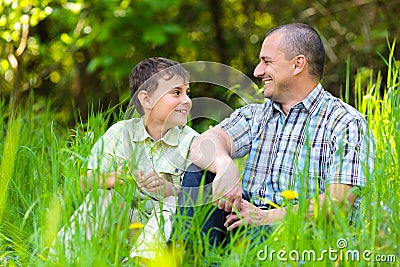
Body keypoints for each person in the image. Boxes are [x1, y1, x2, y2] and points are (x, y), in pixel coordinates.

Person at [177, 23, 374, 247]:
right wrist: (225, 167)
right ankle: (188, 258)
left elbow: (339, 202)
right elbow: (202, 144)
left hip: (299, 233)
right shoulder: (256, 114)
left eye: (267, 62)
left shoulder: (345, 122)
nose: (257, 72)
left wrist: (265, 218)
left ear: (298, 64)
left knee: (260, 237)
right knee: (201, 170)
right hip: (243, 222)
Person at [51, 57, 198, 262]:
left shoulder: (193, 142)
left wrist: (169, 190)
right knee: (105, 196)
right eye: (176, 92)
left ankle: (141, 261)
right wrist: (115, 178)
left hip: (164, 232)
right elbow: (86, 180)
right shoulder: (121, 132)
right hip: (122, 225)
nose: (186, 100)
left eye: (186, 92)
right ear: (146, 99)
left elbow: (199, 198)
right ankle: (58, 257)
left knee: (174, 202)